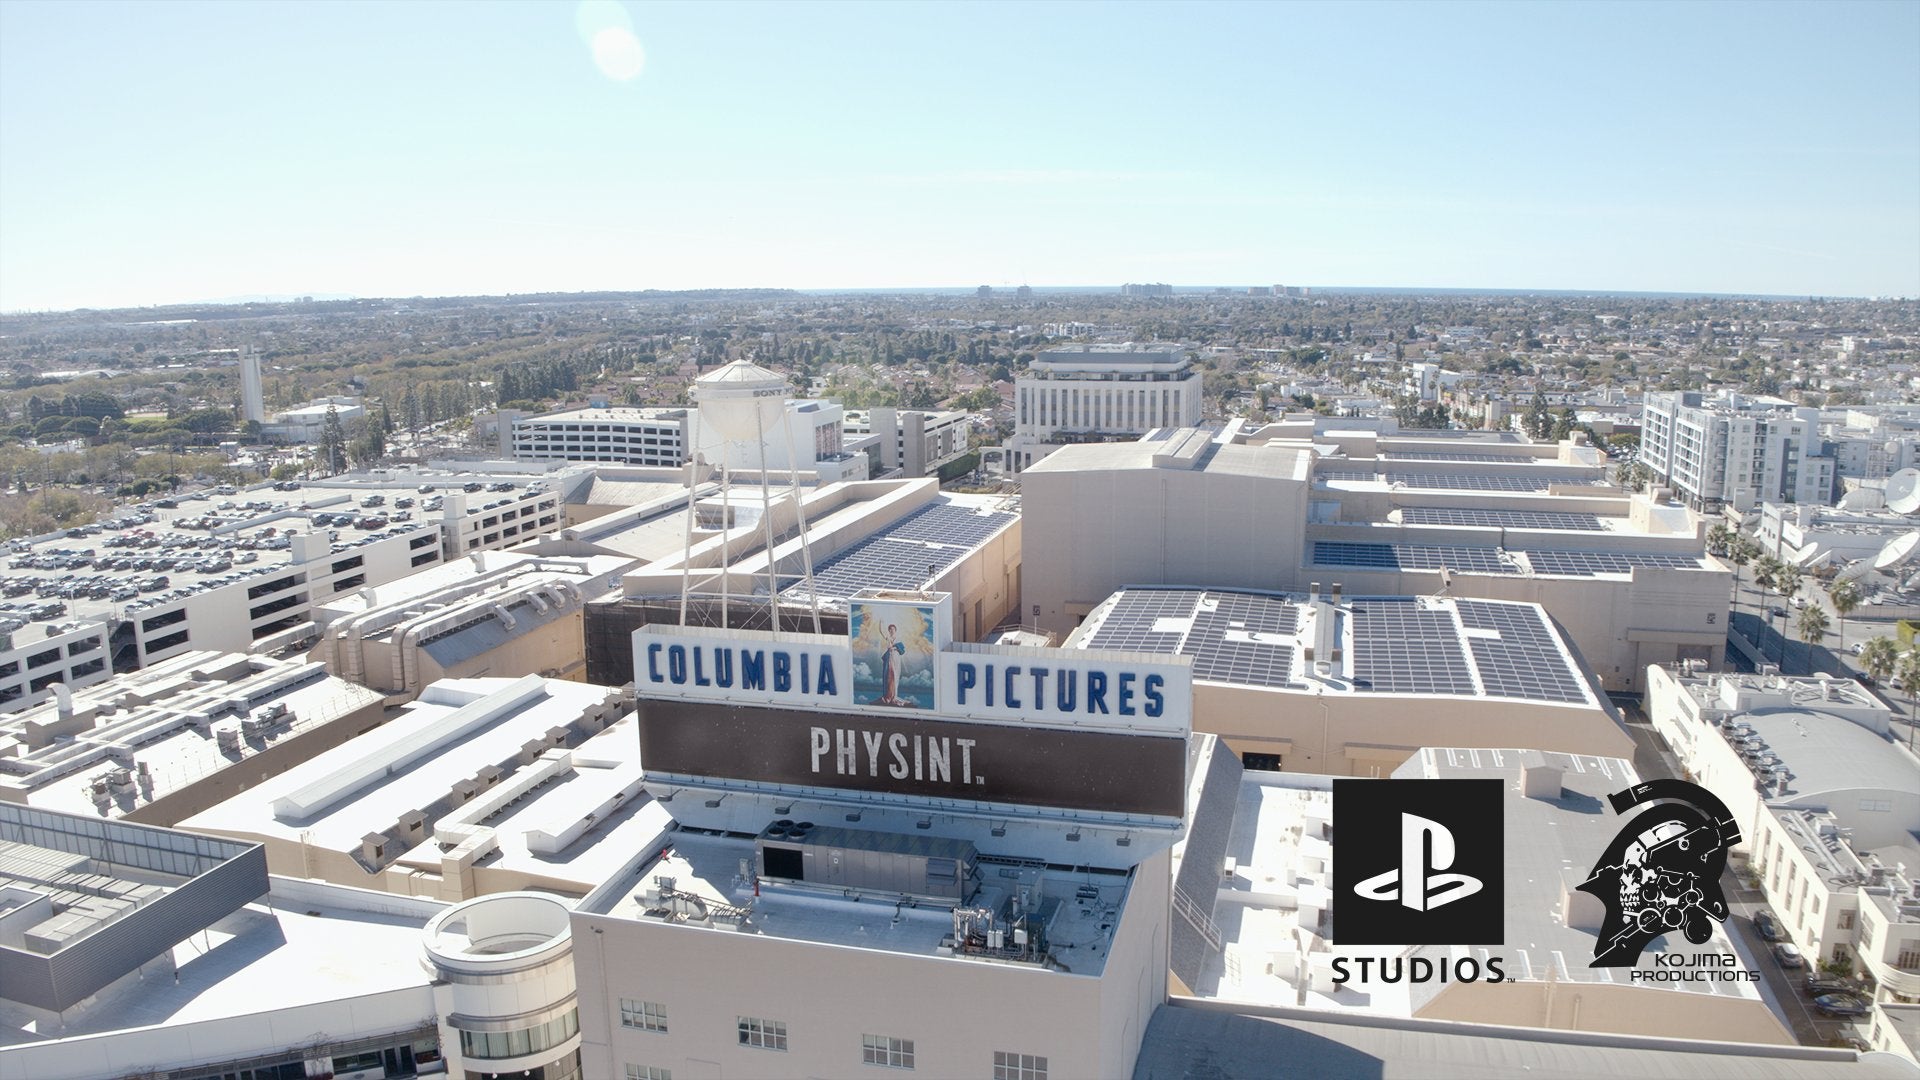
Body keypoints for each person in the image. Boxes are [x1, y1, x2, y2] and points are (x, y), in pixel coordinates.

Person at [878, 623, 907, 706]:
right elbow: (881, 631)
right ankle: (888, 695)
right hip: (890, 658)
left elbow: (903, 650)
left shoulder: (898, 639)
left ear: (895, 630)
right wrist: (880, 623)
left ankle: (894, 696)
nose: (891, 630)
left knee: (895, 675)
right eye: (890, 629)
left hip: (896, 658)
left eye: (893, 629)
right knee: (889, 676)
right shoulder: (888, 638)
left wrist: (894, 647)